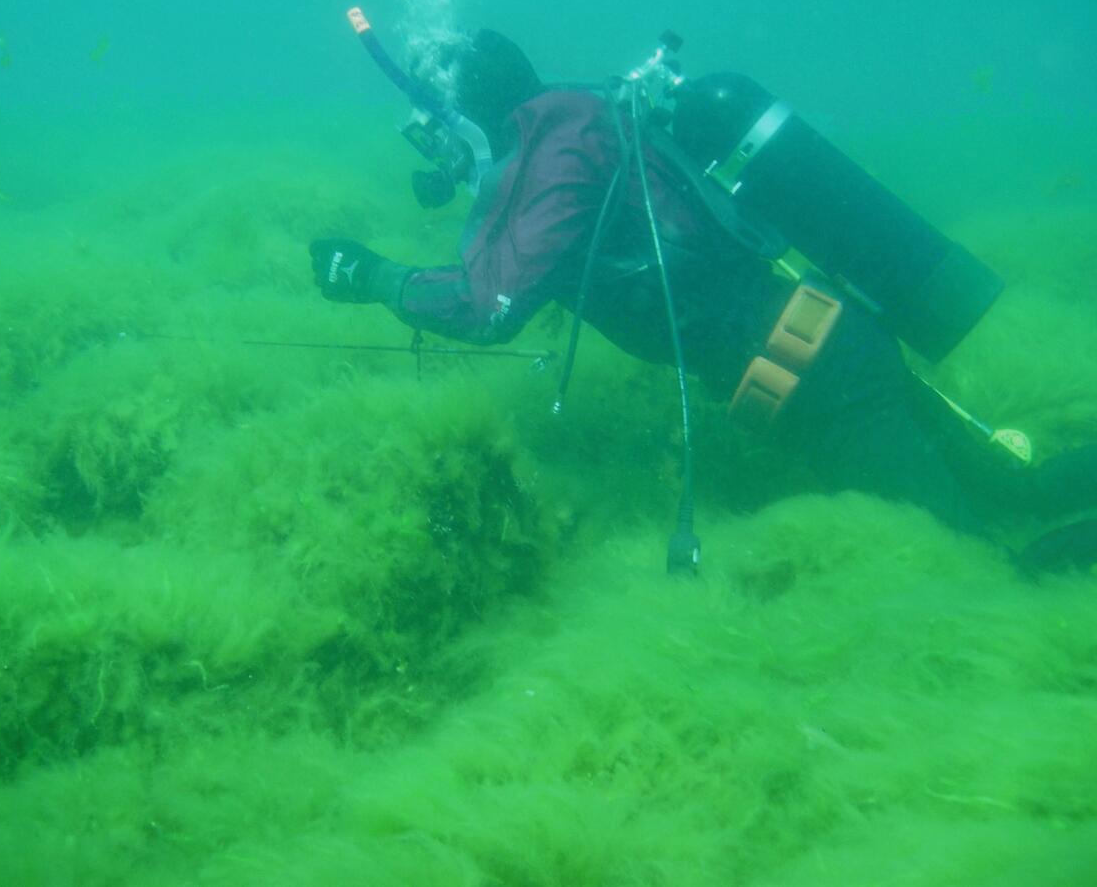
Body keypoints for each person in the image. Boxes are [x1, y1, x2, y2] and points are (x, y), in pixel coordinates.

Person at [308, 29, 1096, 576]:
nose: (437, 148)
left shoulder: (551, 157)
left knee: (976, 562)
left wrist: (370, 275)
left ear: (462, 111)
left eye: (438, 125)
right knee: (1015, 490)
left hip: (816, 378)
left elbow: (488, 306)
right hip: (831, 343)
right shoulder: (584, 114)